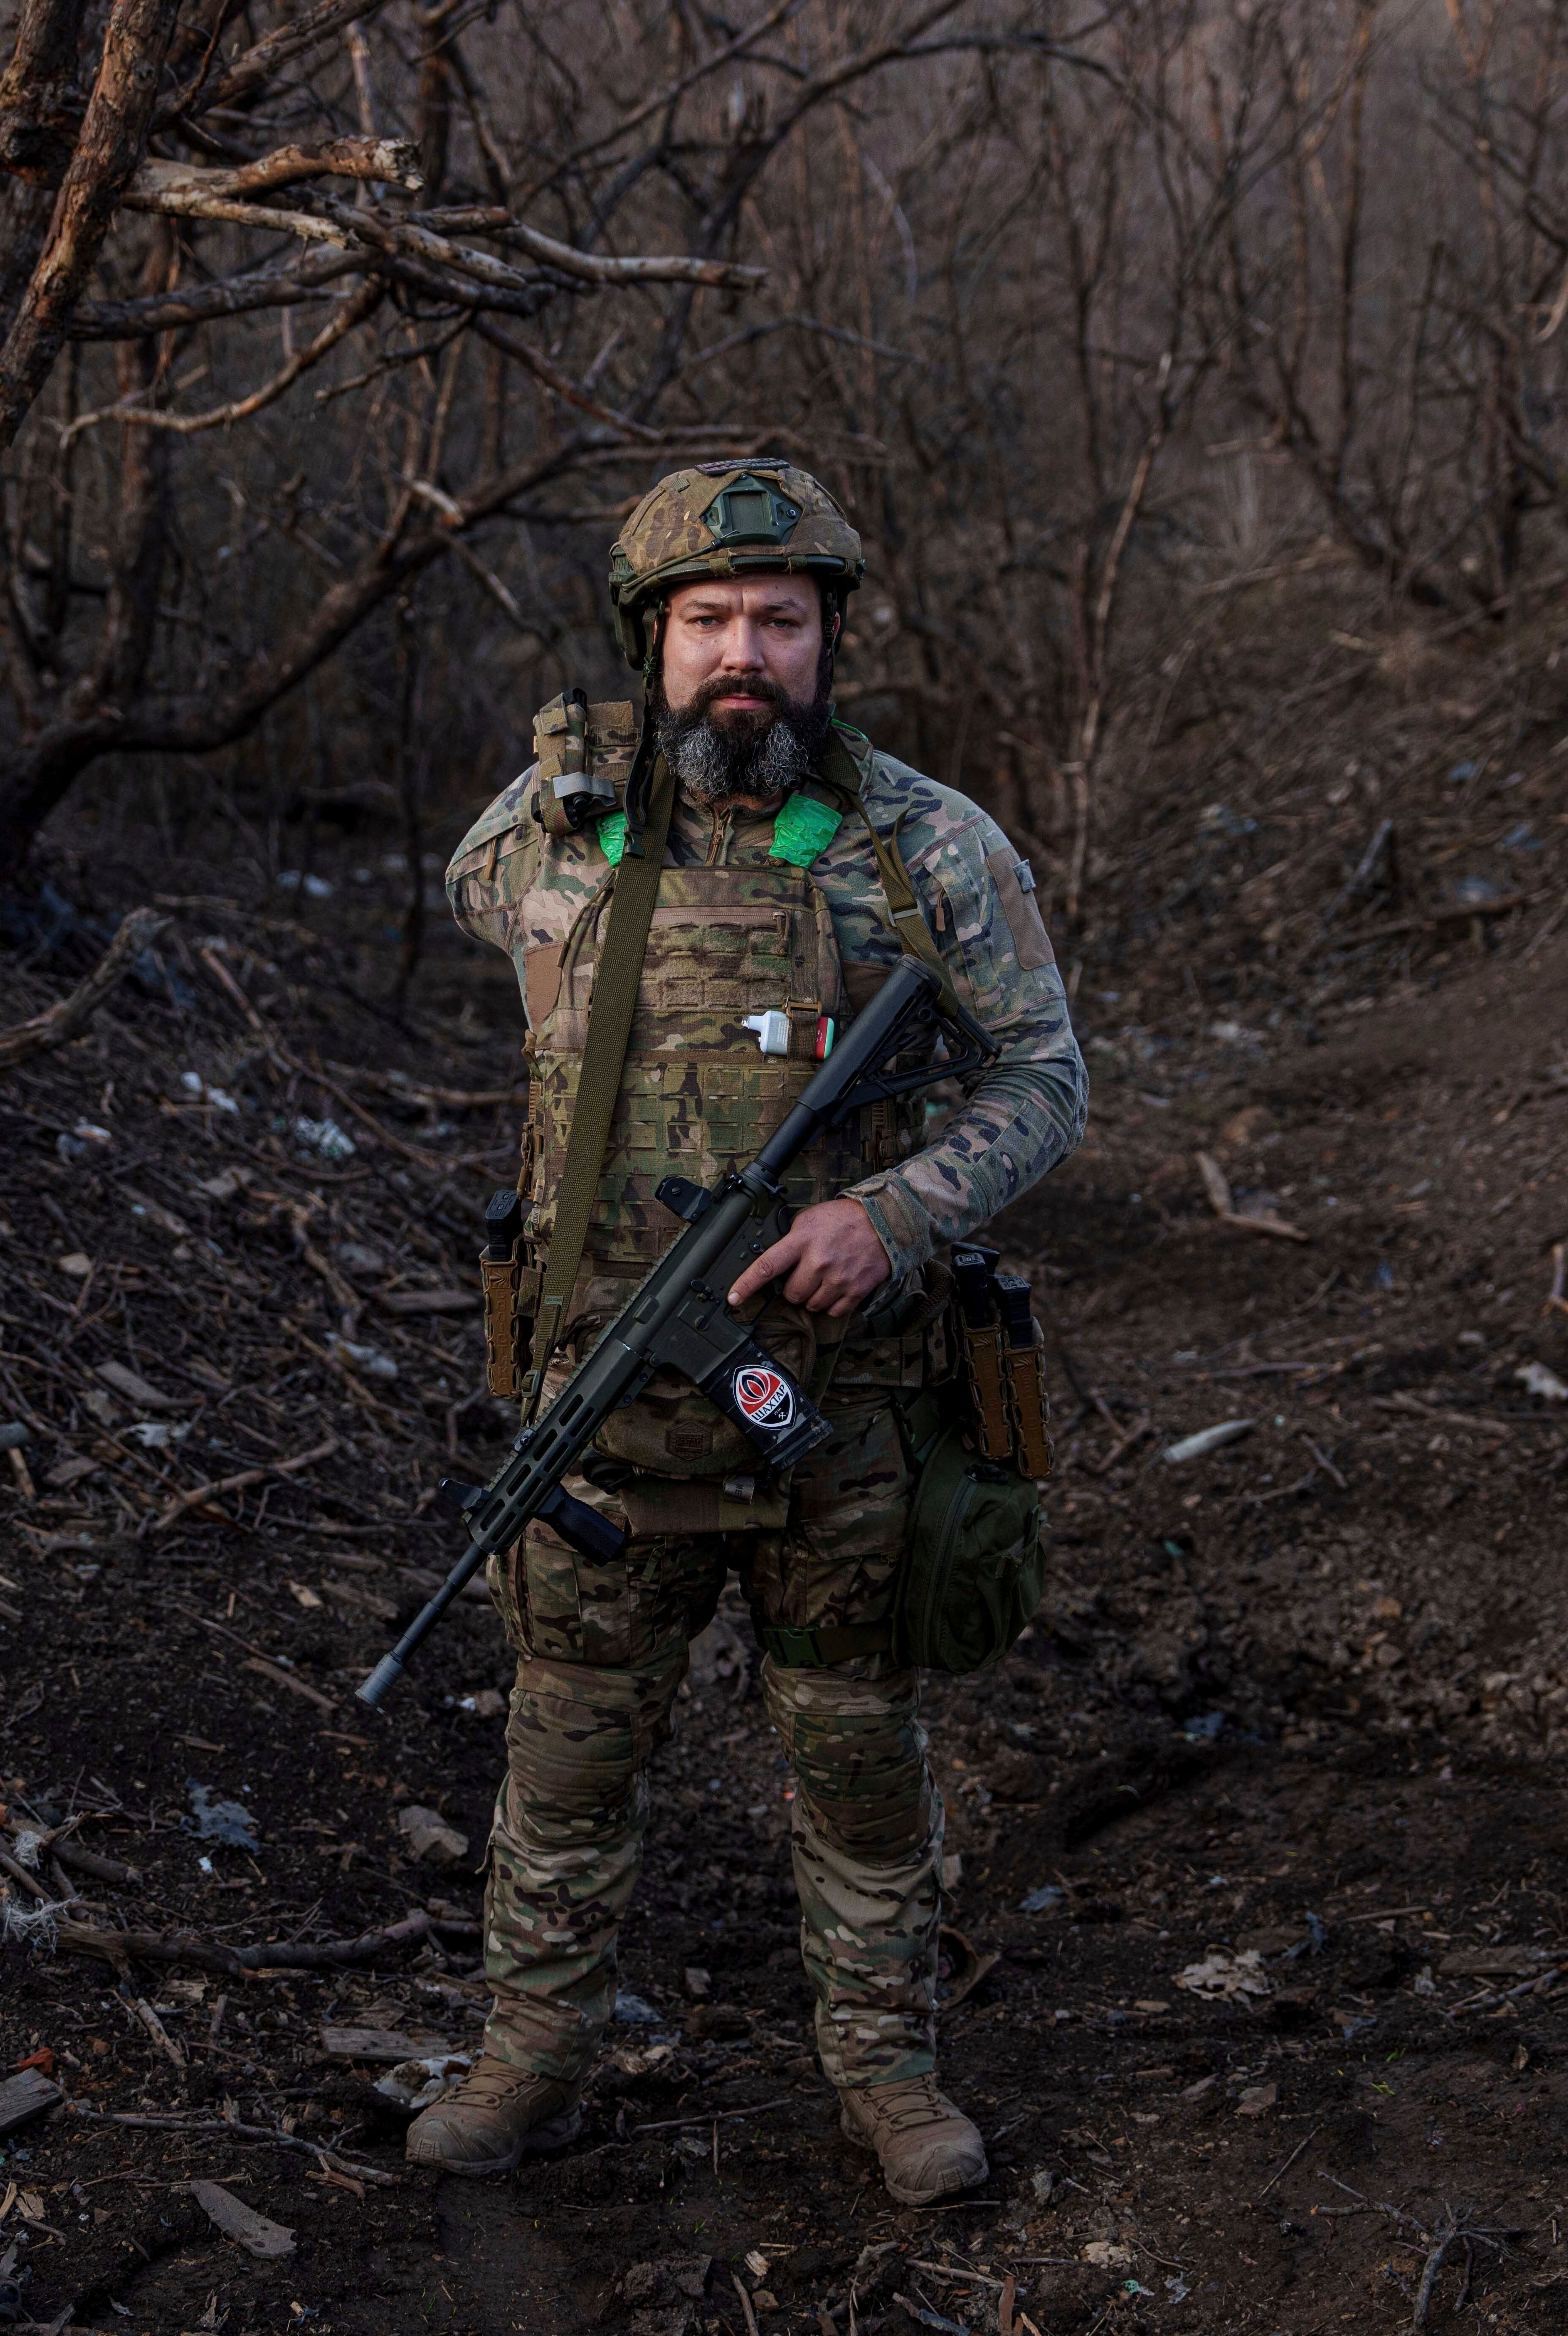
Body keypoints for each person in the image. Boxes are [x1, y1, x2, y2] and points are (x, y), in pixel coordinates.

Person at [413, 459, 1088, 2204]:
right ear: (650, 645)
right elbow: (476, 912)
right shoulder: (547, 838)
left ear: (828, 641)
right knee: (565, 1754)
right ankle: (528, 2062)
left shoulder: (934, 847)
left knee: (856, 1754)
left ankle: (887, 2077)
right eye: (706, 623)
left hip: (846, 1412)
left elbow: (1045, 1079)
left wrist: (894, 1214)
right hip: (608, 1406)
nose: (742, 655)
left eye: (778, 623)